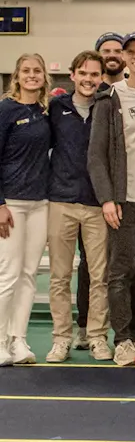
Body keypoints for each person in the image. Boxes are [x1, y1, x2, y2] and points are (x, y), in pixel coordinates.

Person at [89, 32, 135, 365]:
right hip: (123, 201)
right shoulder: (110, 98)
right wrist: (107, 199)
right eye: (130, 52)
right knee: (121, 272)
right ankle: (122, 340)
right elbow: (96, 156)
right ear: (125, 58)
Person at [45, 51, 111, 362]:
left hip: (97, 204)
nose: (88, 79)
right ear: (72, 75)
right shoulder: (56, 107)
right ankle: (61, 338)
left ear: (102, 78)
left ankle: (97, 337)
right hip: (61, 201)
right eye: (83, 73)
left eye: (94, 74)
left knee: (99, 276)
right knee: (59, 276)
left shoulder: (107, 106)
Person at [0, 53, 52, 366]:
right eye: (26, 71)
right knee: (8, 273)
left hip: (40, 203)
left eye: (37, 71)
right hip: (11, 205)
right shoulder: (5, 110)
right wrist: (0, 204)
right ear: (17, 76)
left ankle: (18, 339)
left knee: (29, 274)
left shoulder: (44, 112)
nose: (32, 75)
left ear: (44, 76)